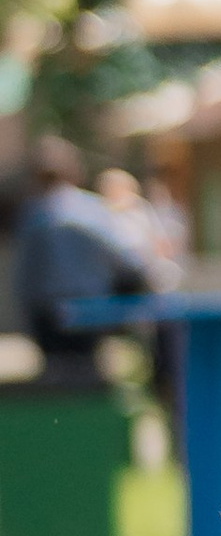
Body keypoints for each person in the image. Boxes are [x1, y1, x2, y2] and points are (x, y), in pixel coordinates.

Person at [12, 135, 156, 373]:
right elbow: (126, 260)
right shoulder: (92, 210)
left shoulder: (32, 216)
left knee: (57, 382)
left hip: (48, 315)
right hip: (90, 312)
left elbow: (25, 276)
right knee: (87, 381)